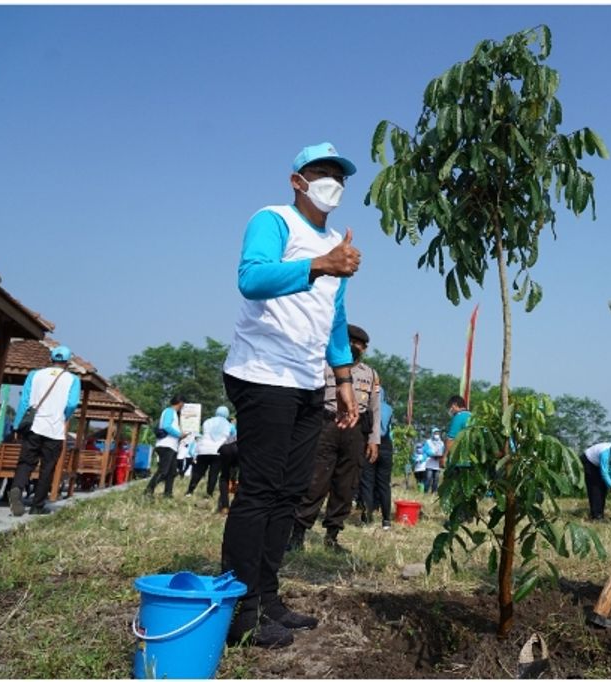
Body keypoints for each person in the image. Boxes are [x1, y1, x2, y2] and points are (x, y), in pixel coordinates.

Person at [220, 141, 361, 649]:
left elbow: (334, 320)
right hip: (261, 373)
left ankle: (268, 596)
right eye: (321, 172)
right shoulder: (273, 219)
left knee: (289, 490)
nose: (332, 182)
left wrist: (343, 380)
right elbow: (251, 279)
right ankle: (240, 609)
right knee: (259, 490)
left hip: (306, 380)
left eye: (339, 176)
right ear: (297, 180)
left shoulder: (334, 247)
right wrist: (321, 263)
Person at [289, 324, 380, 554]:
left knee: (346, 484)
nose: (353, 346)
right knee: (315, 480)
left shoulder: (370, 375)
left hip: (355, 430)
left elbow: (375, 409)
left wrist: (374, 439)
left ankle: (332, 536)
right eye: (348, 341)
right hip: (326, 425)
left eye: (357, 343)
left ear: (364, 348)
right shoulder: (324, 366)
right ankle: (298, 532)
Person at [9, 345, 81, 516]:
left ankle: (17, 488)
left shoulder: (34, 375)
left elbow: (25, 401)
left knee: (26, 462)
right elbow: (71, 404)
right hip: (54, 429)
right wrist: (63, 415)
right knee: (47, 466)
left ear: (51, 359)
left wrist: (18, 425)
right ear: (67, 362)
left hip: (33, 427)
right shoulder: (73, 380)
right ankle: (37, 505)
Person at [359, 387, 394, 529]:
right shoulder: (389, 408)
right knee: (384, 485)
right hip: (386, 445)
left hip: (370, 443)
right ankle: (386, 520)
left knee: (367, 482)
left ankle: (367, 518)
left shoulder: (368, 407)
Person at [144, 396, 188, 499]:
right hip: (166, 446)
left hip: (171, 446)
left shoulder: (174, 414)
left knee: (172, 472)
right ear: (180, 402)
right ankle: (148, 491)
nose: (183, 406)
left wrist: (179, 437)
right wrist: (179, 435)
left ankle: (168, 493)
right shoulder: (169, 411)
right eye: (183, 404)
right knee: (163, 471)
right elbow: (166, 426)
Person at [580, 436, 611, 521]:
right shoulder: (605, 453)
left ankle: (600, 513)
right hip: (589, 461)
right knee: (595, 487)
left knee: (604, 488)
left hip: (599, 464)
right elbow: (604, 473)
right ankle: (595, 516)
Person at [187, 406, 230, 497]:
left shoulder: (207, 422)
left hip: (203, 450)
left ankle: (189, 491)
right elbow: (233, 436)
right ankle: (209, 494)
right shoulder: (229, 425)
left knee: (198, 472)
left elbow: (203, 432)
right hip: (218, 452)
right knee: (213, 474)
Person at [421, 427, 445, 493]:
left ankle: (434, 492)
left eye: (438, 433)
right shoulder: (428, 442)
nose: (437, 434)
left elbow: (443, 452)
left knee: (436, 479)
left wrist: (440, 456)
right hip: (429, 463)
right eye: (435, 433)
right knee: (428, 478)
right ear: (432, 434)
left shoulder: (441, 443)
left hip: (437, 464)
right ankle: (425, 491)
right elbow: (424, 450)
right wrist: (430, 453)